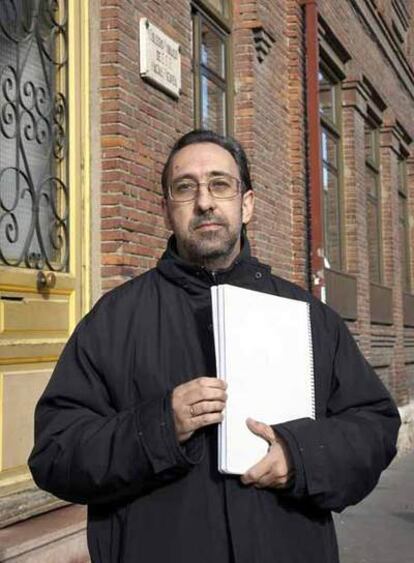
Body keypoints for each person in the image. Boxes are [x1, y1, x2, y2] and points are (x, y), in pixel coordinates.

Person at [29, 129, 400, 563]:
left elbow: (374, 425)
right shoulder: (113, 320)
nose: (204, 201)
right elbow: (56, 452)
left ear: (246, 205)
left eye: (220, 184)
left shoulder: (307, 316)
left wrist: (301, 456)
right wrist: (159, 426)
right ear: (167, 209)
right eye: (185, 187)